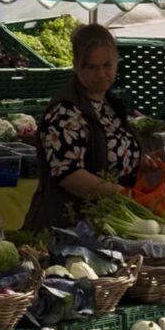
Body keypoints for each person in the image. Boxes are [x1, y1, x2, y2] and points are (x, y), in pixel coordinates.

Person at [30, 22, 140, 230]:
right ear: (76, 65)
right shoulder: (65, 111)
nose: (101, 74)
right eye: (91, 67)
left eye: (107, 65)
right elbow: (68, 175)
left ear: (117, 61)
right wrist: (121, 193)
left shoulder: (110, 105)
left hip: (108, 223)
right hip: (67, 230)